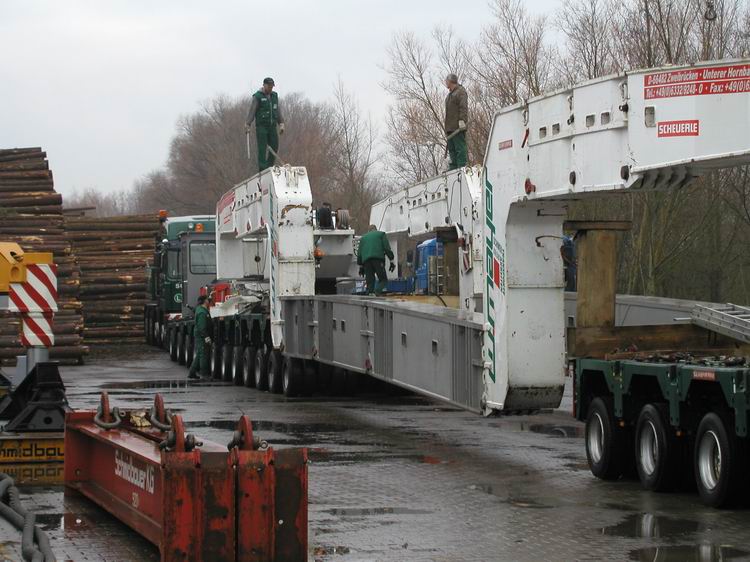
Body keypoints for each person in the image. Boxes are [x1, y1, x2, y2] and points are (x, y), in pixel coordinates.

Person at [246, 77, 285, 172]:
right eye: (269, 86)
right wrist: (248, 124)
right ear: (264, 85)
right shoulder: (258, 96)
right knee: (262, 148)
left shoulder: (274, 96)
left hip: (272, 126)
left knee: (275, 146)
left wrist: (281, 123)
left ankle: (269, 166)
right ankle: (262, 168)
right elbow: (252, 110)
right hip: (262, 126)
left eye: (272, 87)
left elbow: (277, 110)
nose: (271, 88)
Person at [357, 225, 395, 296]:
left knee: (370, 281)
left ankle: (370, 294)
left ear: (368, 231)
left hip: (366, 262)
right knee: (383, 279)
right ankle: (377, 292)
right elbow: (387, 248)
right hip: (378, 260)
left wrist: (361, 266)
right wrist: (391, 260)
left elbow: (359, 254)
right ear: (376, 229)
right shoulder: (381, 234)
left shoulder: (363, 238)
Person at [444, 73, 468, 170]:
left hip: (458, 126)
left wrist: (462, 120)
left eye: (446, 81)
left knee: (460, 148)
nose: (446, 82)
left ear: (450, 81)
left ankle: (461, 165)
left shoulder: (460, 92)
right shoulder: (449, 95)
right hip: (450, 127)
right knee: (452, 149)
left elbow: (463, 107)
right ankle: (453, 166)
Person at [187, 295, 212, 379]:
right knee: (203, 355)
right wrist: (206, 337)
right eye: (208, 299)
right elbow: (202, 327)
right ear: (205, 301)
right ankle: (204, 374)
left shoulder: (200, 309)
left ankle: (192, 372)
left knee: (199, 354)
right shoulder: (202, 312)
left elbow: (194, 309)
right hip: (201, 336)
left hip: (200, 335)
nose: (209, 301)